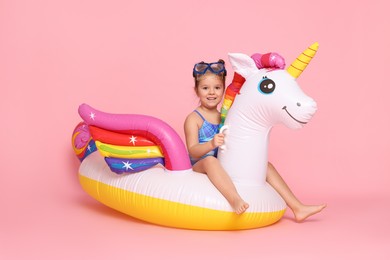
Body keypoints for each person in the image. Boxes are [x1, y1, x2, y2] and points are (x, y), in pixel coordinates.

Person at [184, 59, 326, 219]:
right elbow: (192, 151)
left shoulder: (225, 115)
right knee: (211, 161)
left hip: (223, 162)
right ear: (196, 90)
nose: (212, 93)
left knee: (266, 166)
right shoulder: (194, 119)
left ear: (223, 89)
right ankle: (235, 199)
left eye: (217, 88)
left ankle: (297, 207)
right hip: (200, 165)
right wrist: (211, 144)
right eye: (205, 88)